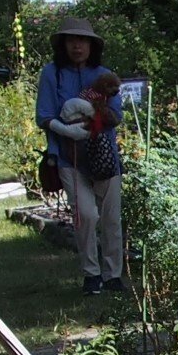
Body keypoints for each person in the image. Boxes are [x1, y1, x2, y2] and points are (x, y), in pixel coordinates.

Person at [35, 17, 123, 291]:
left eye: (82, 40)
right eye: (72, 40)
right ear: (63, 44)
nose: (77, 46)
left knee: (110, 217)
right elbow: (44, 115)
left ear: (91, 45)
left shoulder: (104, 74)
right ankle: (91, 274)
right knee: (85, 215)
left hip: (104, 156)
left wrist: (97, 113)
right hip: (68, 155)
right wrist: (66, 130)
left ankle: (113, 275)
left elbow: (116, 116)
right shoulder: (52, 73)